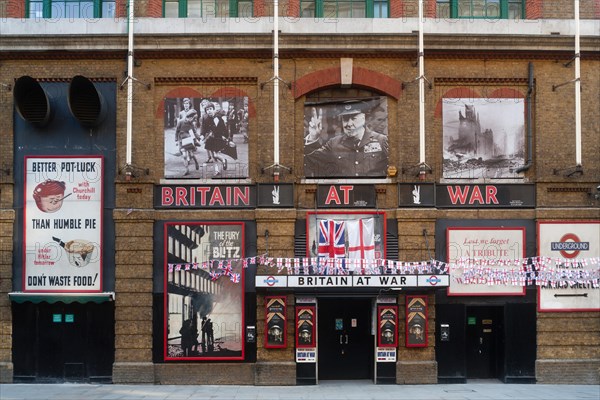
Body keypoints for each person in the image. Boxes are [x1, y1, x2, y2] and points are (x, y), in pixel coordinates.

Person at [304, 102, 388, 177]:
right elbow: (311, 161)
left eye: (354, 118)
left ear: (364, 119)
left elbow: (394, 167)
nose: (349, 124)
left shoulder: (381, 140)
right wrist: (313, 137)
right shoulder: (334, 143)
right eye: (345, 119)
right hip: (343, 193)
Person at [203, 102, 229, 176]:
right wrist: (203, 135)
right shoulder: (206, 119)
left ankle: (224, 160)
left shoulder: (217, 118)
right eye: (207, 110)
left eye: (210, 109)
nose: (209, 111)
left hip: (218, 138)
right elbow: (205, 129)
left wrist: (225, 136)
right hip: (210, 139)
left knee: (215, 154)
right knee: (213, 155)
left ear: (214, 109)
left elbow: (224, 128)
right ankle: (217, 170)